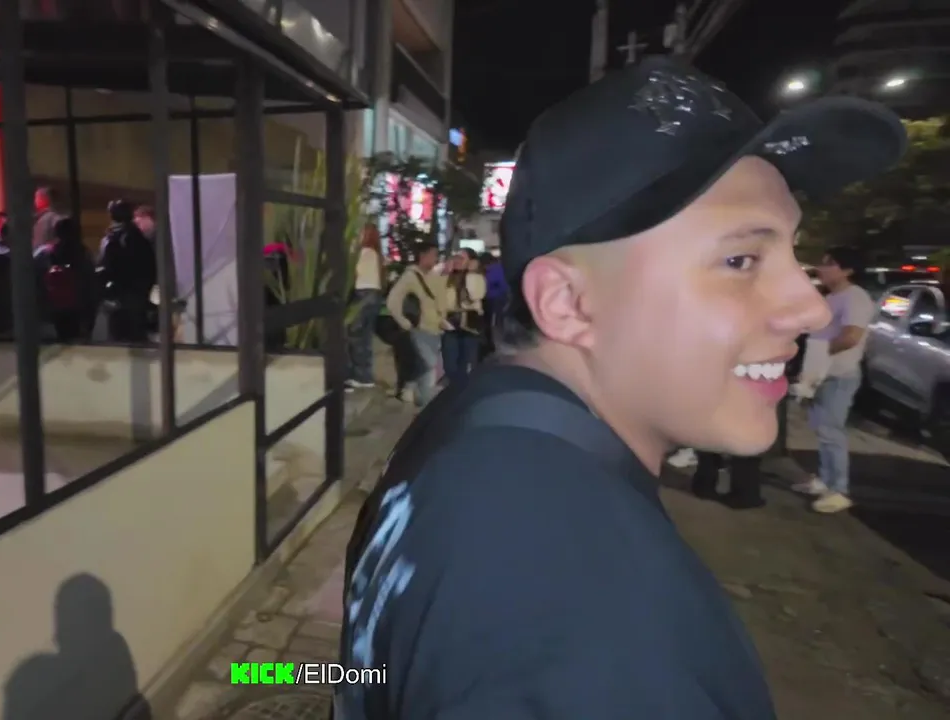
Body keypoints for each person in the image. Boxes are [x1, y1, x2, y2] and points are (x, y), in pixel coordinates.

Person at [338, 56, 904, 719]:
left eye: (794, 253)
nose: (806, 309)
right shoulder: (575, 604)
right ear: (568, 303)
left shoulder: (477, 423)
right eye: (741, 259)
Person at [790, 246, 875, 513]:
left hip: (839, 375)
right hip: (822, 374)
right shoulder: (831, 297)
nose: (822, 268)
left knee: (831, 432)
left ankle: (839, 490)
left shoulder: (855, 297)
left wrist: (819, 356)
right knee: (821, 429)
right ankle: (825, 481)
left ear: (847, 270)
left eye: (829, 264)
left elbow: (851, 337)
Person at [384, 243, 449, 407]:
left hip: (436, 329)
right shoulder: (410, 276)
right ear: (422, 255)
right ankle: (425, 404)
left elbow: (439, 300)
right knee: (428, 367)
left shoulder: (434, 276)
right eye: (433, 255)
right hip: (420, 328)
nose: (435, 259)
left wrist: (442, 318)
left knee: (425, 367)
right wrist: (404, 322)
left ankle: (410, 390)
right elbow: (393, 301)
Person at [96, 200, 157, 343]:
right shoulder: (138, 237)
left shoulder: (114, 238)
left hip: (122, 294)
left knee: (121, 336)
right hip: (135, 294)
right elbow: (149, 266)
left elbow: (105, 266)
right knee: (135, 334)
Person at [35, 215, 97, 343]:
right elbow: (90, 285)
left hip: (53, 309)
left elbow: (35, 280)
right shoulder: (84, 254)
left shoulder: (44, 254)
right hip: (77, 308)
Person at [346, 223, 385, 389]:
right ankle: (366, 376)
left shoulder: (363, 253)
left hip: (362, 294)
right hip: (375, 295)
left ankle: (358, 375)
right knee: (366, 336)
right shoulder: (378, 255)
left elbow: (354, 273)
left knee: (355, 335)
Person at [440, 249, 486, 385]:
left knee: (467, 363)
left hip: (469, 324)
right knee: (449, 364)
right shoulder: (447, 277)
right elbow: (437, 295)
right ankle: (454, 385)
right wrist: (444, 273)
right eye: (456, 257)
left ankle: (461, 389)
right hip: (449, 323)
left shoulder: (477, 277)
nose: (457, 261)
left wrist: (471, 273)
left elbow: (475, 294)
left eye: (461, 258)